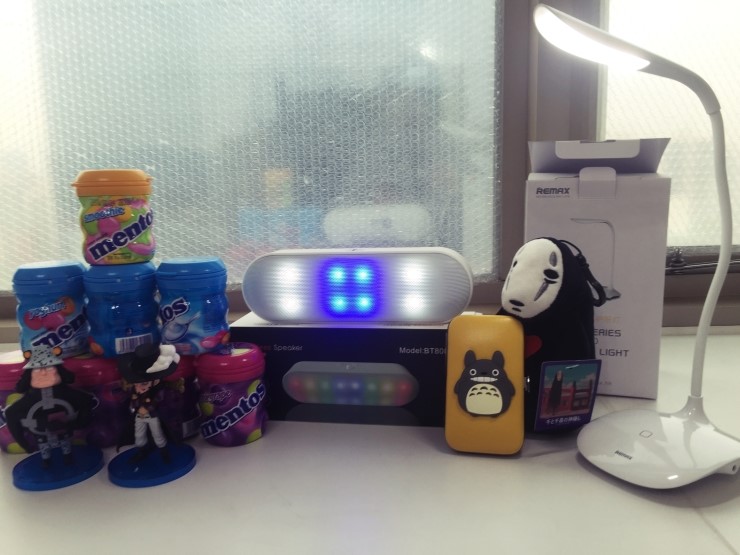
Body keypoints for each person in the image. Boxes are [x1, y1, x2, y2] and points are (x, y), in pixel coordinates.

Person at [5, 345, 94, 468]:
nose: (43, 372)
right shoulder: (29, 386)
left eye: (49, 368)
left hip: (62, 405)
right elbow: (20, 389)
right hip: (37, 415)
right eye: (38, 370)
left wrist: (77, 424)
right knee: (10, 412)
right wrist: (24, 444)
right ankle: (35, 452)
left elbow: (70, 379)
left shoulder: (65, 388)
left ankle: (67, 453)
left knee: (87, 400)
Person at [117, 343, 180, 464]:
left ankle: (163, 451)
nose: (139, 387)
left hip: (152, 416)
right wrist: (136, 402)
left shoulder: (159, 391)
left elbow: (158, 402)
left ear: (155, 382)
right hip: (139, 416)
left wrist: (147, 406)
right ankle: (142, 450)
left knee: (158, 435)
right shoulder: (135, 390)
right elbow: (133, 402)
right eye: (136, 384)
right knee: (139, 436)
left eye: (143, 384)